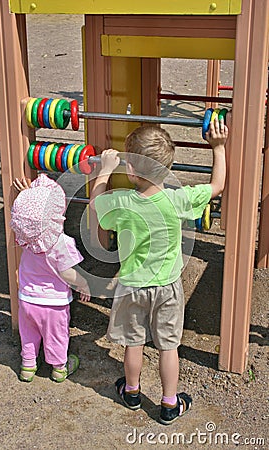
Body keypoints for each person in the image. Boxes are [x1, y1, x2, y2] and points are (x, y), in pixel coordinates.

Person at [90, 118, 228, 424]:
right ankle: (168, 404)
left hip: (131, 288)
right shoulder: (178, 200)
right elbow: (217, 185)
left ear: (131, 170)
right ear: (168, 169)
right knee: (168, 346)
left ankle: (132, 391)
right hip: (167, 287)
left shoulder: (121, 202)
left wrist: (104, 172)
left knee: (133, 341)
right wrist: (218, 147)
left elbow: (96, 205)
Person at [11, 173, 91, 383]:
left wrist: (26, 195)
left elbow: (32, 219)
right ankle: (59, 367)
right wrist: (83, 284)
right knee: (56, 336)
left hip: (27, 299)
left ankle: (27, 366)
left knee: (28, 333)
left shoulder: (28, 238)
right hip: (53, 304)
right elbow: (68, 273)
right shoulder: (60, 244)